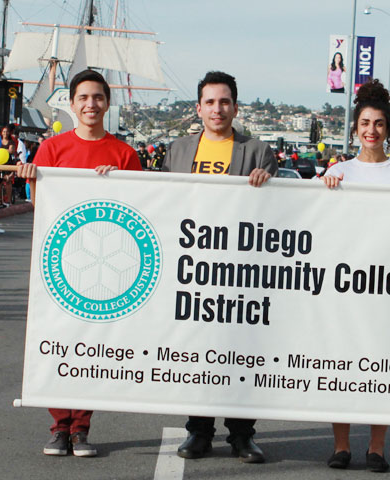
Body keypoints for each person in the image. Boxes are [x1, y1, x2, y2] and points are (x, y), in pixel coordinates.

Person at [17, 69, 142, 458]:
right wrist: (32, 179)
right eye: (83, 98)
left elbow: (140, 210)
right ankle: (59, 427)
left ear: (107, 103)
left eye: (98, 97)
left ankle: (82, 428)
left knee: (93, 344)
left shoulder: (125, 154)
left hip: (110, 262)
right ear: (72, 104)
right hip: (62, 260)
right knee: (58, 341)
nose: (91, 104)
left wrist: (118, 182)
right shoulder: (52, 149)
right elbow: (42, 205)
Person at [162, 71, 276, 464]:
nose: (217, 109)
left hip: (242, 269)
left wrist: (270, 182)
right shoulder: (177, 151)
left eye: (224, 102)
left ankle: (243, 435)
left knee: (243, 352)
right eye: (210, 102)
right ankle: (199, 430)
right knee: (200, 351)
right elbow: (158, 201)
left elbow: (281, 210)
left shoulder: (257, 152)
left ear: (235, 107)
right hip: (193, 268)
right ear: (198, 108)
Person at [322, 79, 390, 473]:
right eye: (365, 123)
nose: (372, 131)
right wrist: (325, 188)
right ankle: (340, 446)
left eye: (380, 124)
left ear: (388, 129)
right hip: (343, 286)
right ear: (355, 129)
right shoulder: (339, 171)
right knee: (341, 364)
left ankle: (376, 447)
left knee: (380, 363)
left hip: (386, 288)